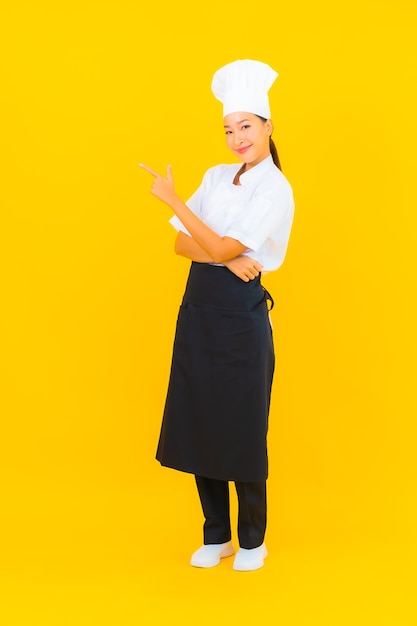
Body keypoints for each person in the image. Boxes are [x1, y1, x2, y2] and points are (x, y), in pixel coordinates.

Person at [140, 59, 294, 571]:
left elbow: (213, 238)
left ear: (269, 127)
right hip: (200, 311)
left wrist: (176, 201)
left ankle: (253, 540)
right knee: (200, 418)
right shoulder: (215, 175)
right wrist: (226, 255)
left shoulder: (275, 189)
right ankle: (217, 534)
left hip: (241, 320)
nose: (236, 138)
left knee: (242, 426)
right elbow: (182, 245)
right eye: (228, 129)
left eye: (245, 126)